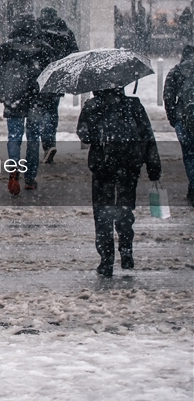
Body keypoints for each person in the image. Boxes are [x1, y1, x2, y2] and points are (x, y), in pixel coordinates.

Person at [77, 86, 160, 277]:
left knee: (102, 213)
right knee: (125, 208)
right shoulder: (133, 105)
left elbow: (84, 136)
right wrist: (153, 167)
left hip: (102, 166)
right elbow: (147, 136)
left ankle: (106, 260)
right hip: (129, 163)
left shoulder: (92, 105)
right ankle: (126, 250)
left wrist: (99, 130)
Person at [0, 15, 55, 195]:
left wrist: (4, 96)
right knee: (33, 138)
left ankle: (13, 166)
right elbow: (49, 77)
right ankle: (30, 178)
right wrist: (46, 99)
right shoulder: (44, 48)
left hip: (14, 99)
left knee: (14, 137)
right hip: (36, 100)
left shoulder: (7, 47)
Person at [36, 8, 79, 163]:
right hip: (57, 77)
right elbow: (74, 54)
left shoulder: (37, 30)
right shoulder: (64, 31)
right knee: (52, 111)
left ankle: (47, 144)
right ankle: (50, 142)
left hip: (40, 76)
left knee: (42, 112)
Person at [163, 44, 194, 207]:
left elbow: (168, 98)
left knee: (189, 156)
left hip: (184, 121)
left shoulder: (175, 72)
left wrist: (174, 120)